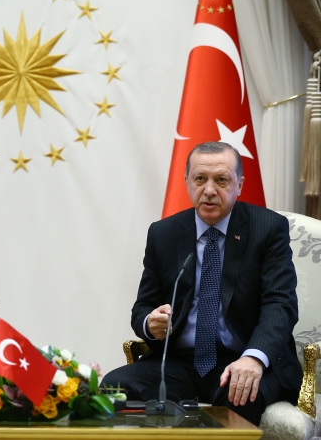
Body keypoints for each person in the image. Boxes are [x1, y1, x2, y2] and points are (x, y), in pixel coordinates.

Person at [101, 141, 301, 425]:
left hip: (242, 357)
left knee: (241, 393)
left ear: (240, 185)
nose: (209, 190)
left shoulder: (267, 228)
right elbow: (143, 306)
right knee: (115, 387)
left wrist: (254, 358)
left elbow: (279, 304)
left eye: (221, 180)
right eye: (200, 179)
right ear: (187, 182)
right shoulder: (163, 233)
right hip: (181, 363)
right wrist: (150, 322)